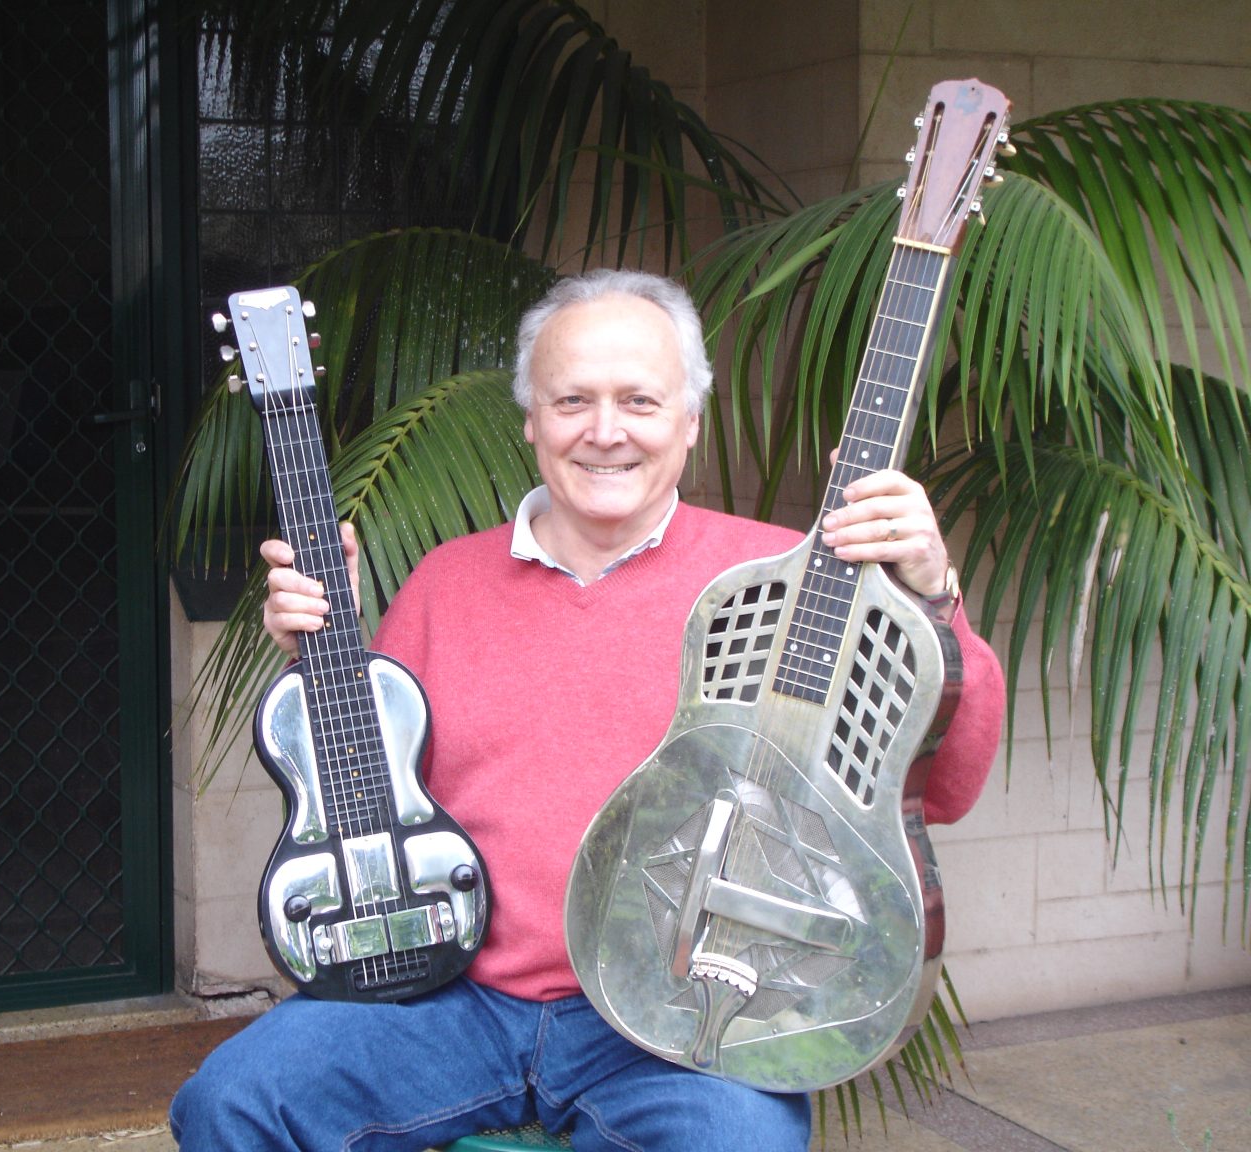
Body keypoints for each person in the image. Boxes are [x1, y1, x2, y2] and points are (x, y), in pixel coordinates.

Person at [170, 269, 1006, 1151]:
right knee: (232, 1100)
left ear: (690, 421)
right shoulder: (445, 582)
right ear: (531, 421)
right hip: (453, 1002)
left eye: (640, 400)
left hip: (671, 1027)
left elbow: (939, 787)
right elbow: (372, 808)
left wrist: (932, 596)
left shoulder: (788, 590)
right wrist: (322, 663)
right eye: (572, 400)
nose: (605, 432)